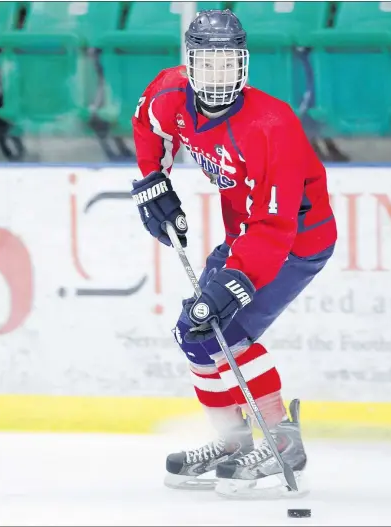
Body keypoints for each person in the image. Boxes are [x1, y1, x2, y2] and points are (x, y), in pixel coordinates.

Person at [131, 9, 337, 498]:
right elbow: (146, 125)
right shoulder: (169, 95)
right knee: (195, 332)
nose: (219, 75)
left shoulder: (272, 124)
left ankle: (283, 443)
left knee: (225, 329)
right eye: (208, 62)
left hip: (295, 241)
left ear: (243, 65)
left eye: (229, 63)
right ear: (191, 64)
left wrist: (237, 278)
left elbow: (276, 225)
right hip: (247, 235)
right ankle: (232, 441)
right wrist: (153, 180)